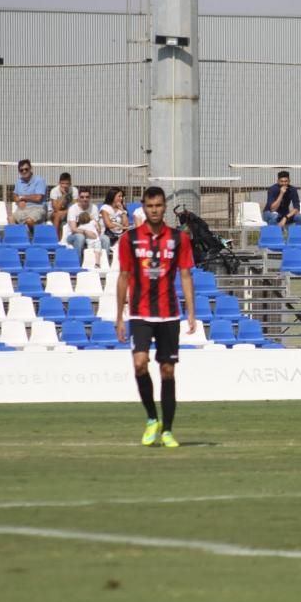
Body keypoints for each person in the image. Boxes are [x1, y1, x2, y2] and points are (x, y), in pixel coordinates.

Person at [115, 187, 196, 449]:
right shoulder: (130, 239)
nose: (155, 210)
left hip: (169, 313)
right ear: (143, 206)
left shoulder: (178, 238)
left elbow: (185, 275)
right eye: (150, 205)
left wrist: (191, 312)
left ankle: (168, 430)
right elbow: (124, 276)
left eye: (159, 205)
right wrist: (119, 316)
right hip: (140, 312)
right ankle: (152, 418)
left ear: (164, 207)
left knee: (167, 371)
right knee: (140, 364)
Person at [66, 187, 111, 262]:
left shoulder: (94, 208)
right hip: (74, 236)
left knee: (105, 239)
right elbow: (73, 229)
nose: (85, 199)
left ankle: (103, 264)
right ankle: (78, 264)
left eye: (87, 197)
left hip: (92, 235)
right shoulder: (73, 209)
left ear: (90, 198)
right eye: (82, 197)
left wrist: (93, 220)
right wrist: (86, 232)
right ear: (78, 198)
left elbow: (98, 228)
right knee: (80, 238)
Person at [9, 159, 47, 229]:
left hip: (37, 208)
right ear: (19, 171)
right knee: (10, 218)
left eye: (26, 169)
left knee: (29, 221)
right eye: (21, 170)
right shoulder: (18, 182)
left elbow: (38, 198)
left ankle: (34, 237)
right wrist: (18, 201)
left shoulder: (39, 180)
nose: (24, 171)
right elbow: (14, 195)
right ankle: (18, 238)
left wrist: (22, 198)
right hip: (22, 209)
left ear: (30, 168)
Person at [49, 172, 79, 239]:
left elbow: (75, 207)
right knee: (57, 215)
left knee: (60, 214)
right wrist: (64, 195)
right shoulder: (54, 191)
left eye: (67, 184)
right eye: (62, 183)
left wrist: (65, 212)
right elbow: (56, 209)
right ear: (59, 183)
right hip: (53, 213)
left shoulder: (74, 190)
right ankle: (55, 238)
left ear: (70, 183)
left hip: (69, 212)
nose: (65, 186)